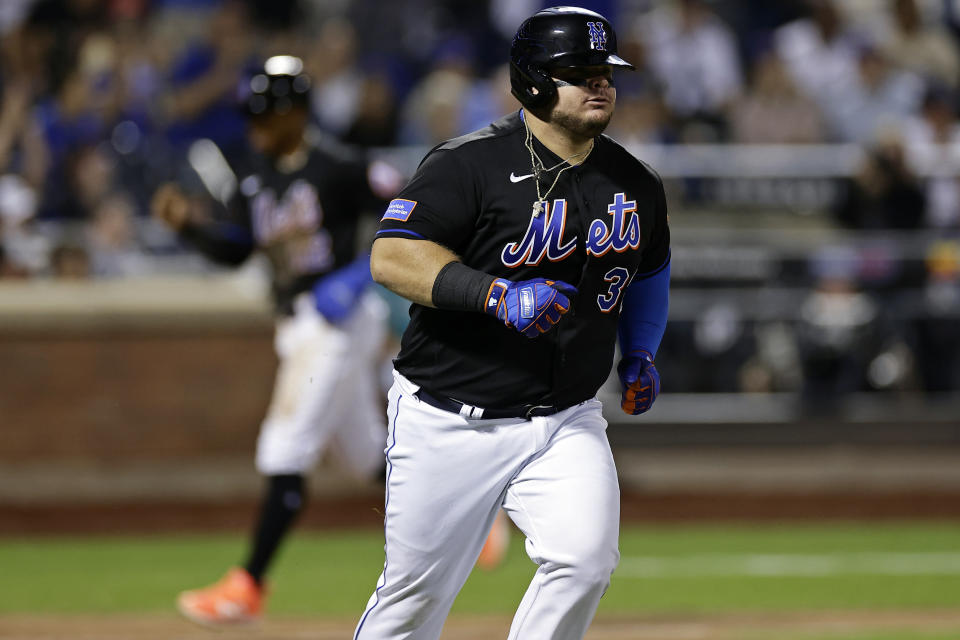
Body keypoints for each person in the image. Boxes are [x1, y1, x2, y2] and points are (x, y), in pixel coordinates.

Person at [354, 7, 670, 640]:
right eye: (579, 72)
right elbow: (390, 256)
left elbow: (649, 270)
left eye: (605, 71)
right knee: (412, 606)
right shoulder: (468, 163)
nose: (600, 84)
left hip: (565, 418)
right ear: (531, 82)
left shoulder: (633, 182)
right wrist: (495, 294)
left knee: (584, 562)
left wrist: (640, 351)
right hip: (449, 418)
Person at [151, 55, 396, 626]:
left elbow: (407, 214)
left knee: (286, 449)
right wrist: (190, 226)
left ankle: (249, 584)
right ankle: (470, 516)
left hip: (335, 320)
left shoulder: (339, 163)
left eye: (268, 110)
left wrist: (359, 273)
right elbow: (238, 249)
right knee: (366, 454)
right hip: (298, 322)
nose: (256, 122)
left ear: (298, 111)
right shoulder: (254, 174)